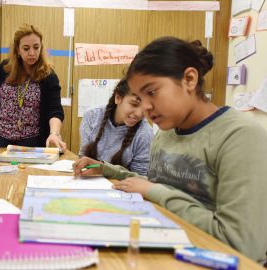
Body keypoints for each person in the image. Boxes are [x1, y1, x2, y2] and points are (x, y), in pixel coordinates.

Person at [73, 37, 267, 263]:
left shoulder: (242, 137)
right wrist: (107, 170)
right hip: (164, 250)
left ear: (189, 79)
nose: (145, 108)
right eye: (140, 98)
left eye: (152, 92)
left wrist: (155, 191)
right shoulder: (165, 133)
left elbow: (242, 245)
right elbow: (155, 184)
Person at [0, 24, 66, 151]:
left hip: (32, 140)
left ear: (41, 47)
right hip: (1, 137)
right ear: (17, 49)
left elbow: (55, 110)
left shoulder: (48, 75)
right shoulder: (4, 68)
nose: (32, 53)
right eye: (26, 48)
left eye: (36, 47)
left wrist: (54, 133)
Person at [79, 79, 153, 175]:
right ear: (118, 98)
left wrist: (103, 170)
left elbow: (140, 177)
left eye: (145, 107)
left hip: (122, 187)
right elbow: (83, 157)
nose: (139, 114)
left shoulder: (145, 133)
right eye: (134, 104)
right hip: (89, 180)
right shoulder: (93, 116)